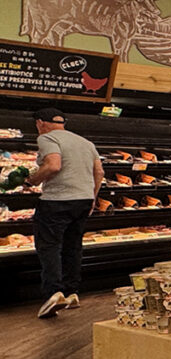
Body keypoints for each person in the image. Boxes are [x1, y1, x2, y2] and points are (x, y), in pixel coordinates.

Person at [23, 108, 104, 318]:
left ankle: (53, 293)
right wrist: (92, 197)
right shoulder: (86, 142)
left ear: (40, 123)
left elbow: (53, 165)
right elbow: (100, 172)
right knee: (73, 245)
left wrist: (31, 181)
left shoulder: (47, 138)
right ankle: (71, 292)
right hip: (83, 200)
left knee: (49, 245)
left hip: (57, 200)